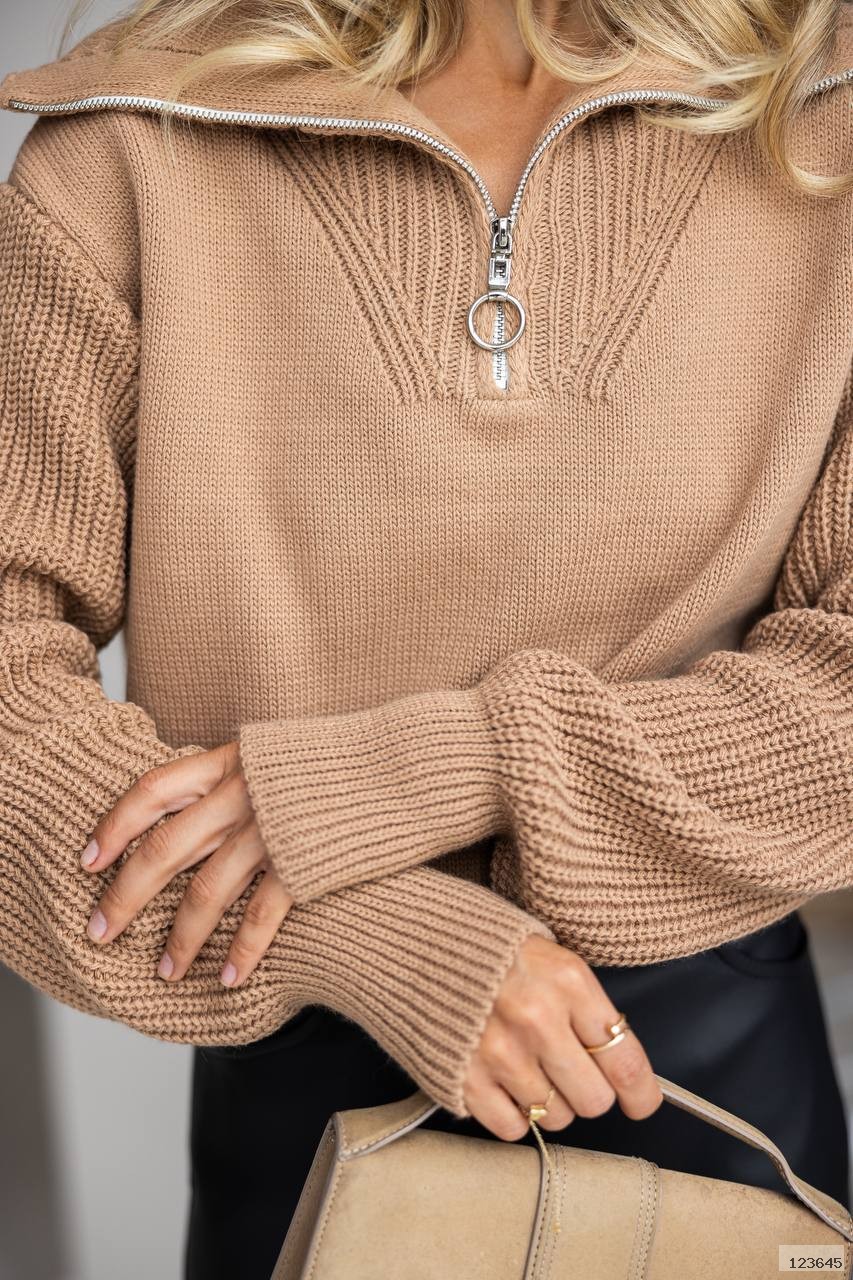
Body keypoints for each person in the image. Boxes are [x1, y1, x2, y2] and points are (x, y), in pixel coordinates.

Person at [0, 0, 851, 1276]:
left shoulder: (825, 126)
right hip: (301, 1060)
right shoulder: (129, 144)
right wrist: (372, 937)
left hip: (709, 1075)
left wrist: (424, 770)